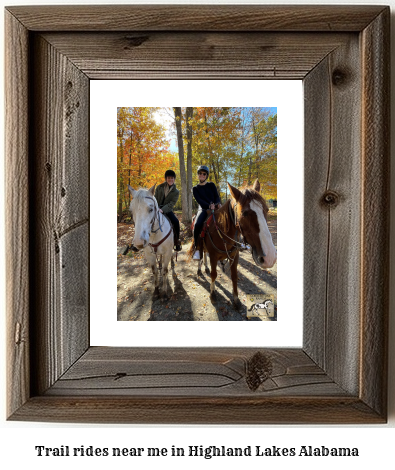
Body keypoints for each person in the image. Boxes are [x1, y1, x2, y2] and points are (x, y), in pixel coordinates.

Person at [192, 165, 222, 260]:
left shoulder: (211, 185)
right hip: (204, 209)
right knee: (197, 225)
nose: (202, 175)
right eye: (200, 173)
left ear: (206, 175)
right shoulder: (195, 189)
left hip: (215, 207)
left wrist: (217, 203)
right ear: (198, 175)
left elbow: (216, 196)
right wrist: (209, 205)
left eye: (204, 174)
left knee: (226, 220)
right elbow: (199, 201)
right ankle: (197, 248)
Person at [154, 169, 182, 251]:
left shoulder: (176, 192)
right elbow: (155, 199)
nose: (170, 179)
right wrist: (157, 208)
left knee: (176, 222)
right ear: (166, 178)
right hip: (157, 208)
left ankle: (177, 241)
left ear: (174, 179)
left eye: (172, 178)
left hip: (167, 209)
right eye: (169, 178)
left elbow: (172, 204)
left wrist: (162, 210)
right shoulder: (159, 187)